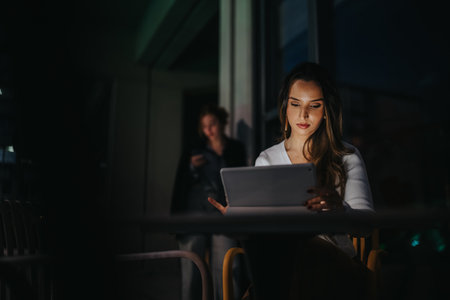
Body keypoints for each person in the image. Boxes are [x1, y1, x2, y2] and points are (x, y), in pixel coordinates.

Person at [208, 62, 374, 299]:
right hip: (281, 266)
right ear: (285, 107)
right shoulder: (267, 159)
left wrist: (340, 209)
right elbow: (264, 232)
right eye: (295, 104)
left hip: (334, 265)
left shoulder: (345, 157)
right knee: (279, 256)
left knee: (292, 257)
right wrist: (240, 219)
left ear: (326, 111)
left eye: (314, 106)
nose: (303, 115)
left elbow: (366, 226)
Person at [171, 103, 247, 300]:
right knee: (192, 268)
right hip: (194, 214)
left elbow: (240, 182)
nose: (209, 130)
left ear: (221, 123)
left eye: (212, 124)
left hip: (222, 214)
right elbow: (181, 182)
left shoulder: (236, 149)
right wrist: (192, 167)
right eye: (205, 126)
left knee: (228, 267)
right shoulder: (194, 148)